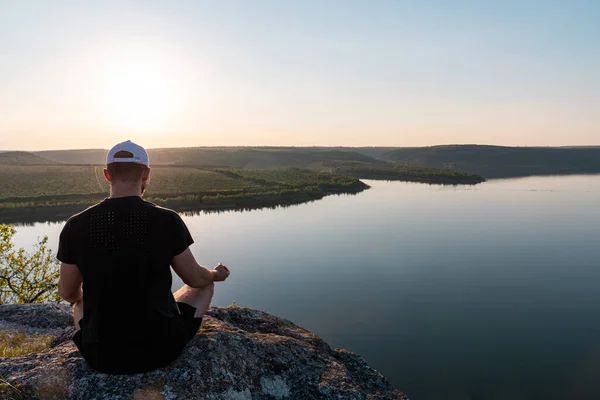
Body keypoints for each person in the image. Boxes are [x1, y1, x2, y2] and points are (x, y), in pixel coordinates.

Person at [57, 140, 230, 374]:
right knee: (205, 286)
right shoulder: (167, 220)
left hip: (101, 356)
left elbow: (67, 293)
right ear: (147, 174)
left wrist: (86, 298)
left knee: (80, 300)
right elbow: (195, 279)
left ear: (107, 175)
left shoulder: (76, 225)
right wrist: (215, 275)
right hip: (161, 349)